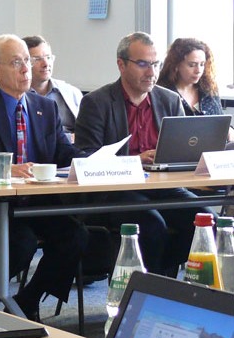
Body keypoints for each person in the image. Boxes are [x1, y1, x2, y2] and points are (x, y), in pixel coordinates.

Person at [0, 34, 88, 318]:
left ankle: (29, 297)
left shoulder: (45, 106)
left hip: (38, 200)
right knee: (23, 241)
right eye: (16, 63)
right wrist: (5, 169)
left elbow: (62, 151)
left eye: (27, 62)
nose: (26, 70)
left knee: (76, 236)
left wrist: (94, 161)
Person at [75, 31, 210, 276]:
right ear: (121, 64)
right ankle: (152, 290)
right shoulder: (97, 102)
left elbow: (182, 150)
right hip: (115, 192)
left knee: (205, 222)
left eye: (155, 64)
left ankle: (159, 280)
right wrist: (134, 160)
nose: (151, 72)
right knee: (152, 226)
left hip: (163, 186)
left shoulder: (169, 99)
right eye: (142, 64)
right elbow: (86, 158)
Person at [157, 37, 233, 141]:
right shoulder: (163, 94)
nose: (198, 70)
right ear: (176, 65)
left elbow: (220, 121)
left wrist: (229, 130)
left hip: (212, 150)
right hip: (180, 151)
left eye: (202, 64)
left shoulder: (209, 90)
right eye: (192, 65)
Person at [23, 35, 83, 138]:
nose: (46, 64)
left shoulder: (71, 93)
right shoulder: (18, 95)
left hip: (72, 151)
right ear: (24, 63)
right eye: (37, 59)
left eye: (48, 57)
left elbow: (86, 133)